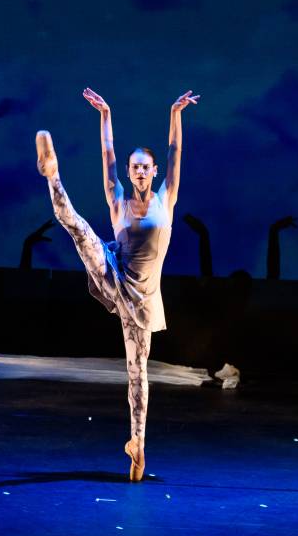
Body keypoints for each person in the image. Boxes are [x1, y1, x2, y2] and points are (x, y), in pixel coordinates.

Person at [35, 86, 198, 481]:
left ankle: (137, 444)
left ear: (154, 172)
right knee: (78, 228)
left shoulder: (166, 198)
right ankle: (52, 174)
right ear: (129, 172)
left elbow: (175, 152)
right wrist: (105, 115)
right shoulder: (117, 198)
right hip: (113, 274)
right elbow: (107, 154)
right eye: (135, 167)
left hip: (143, 302)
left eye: (146, 167)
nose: (140, 171)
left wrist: (175, 113)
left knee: (137, 372)